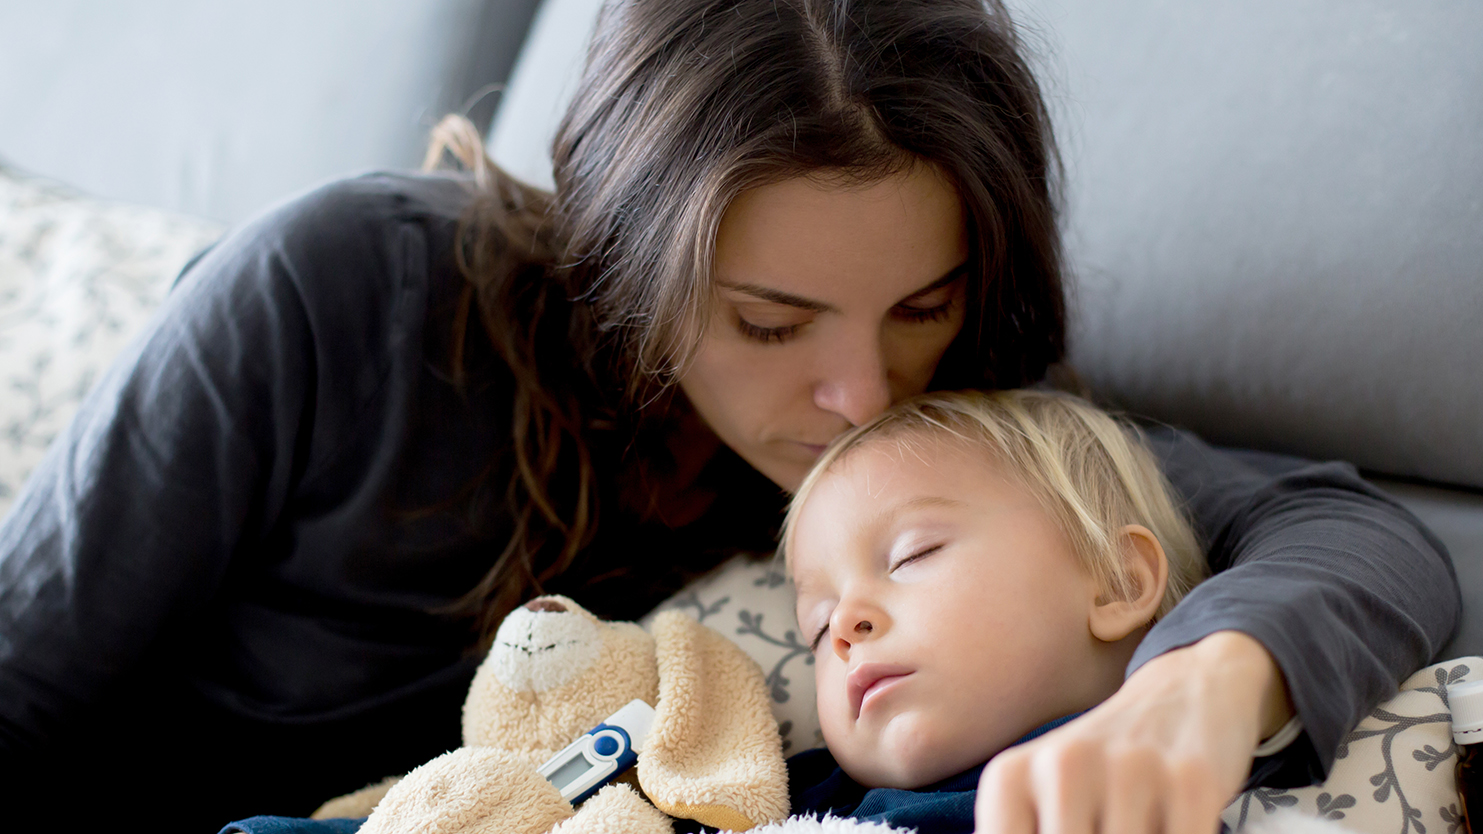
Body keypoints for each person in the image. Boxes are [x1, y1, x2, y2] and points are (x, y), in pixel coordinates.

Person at [0, 0, 1456, 831]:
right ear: (622, 260)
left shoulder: (940, 439)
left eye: (921, 305)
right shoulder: (340, 291)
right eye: (768, 323)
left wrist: (1196, 689)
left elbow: (1340, 525)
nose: (859, 397)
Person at [781, 388, 1244, 833]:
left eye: (913, 555)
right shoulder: (783, 794)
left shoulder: (1132, 799)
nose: (843, 624)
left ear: (1116, 582)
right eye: (818, 627)